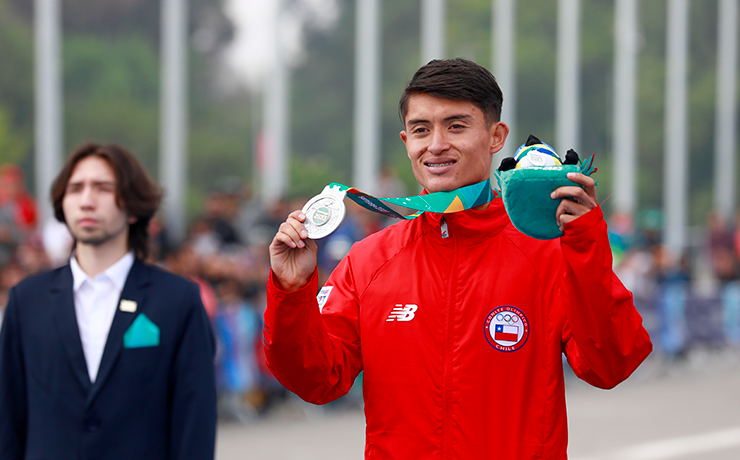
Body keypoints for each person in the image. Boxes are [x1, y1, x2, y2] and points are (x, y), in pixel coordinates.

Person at [264, 58, 652, 459]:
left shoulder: (547, 250)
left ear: (496, 135)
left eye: (456, 125)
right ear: (406, 142)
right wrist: (291, 291)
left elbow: (611, 365)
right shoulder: (369, 260)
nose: (435, 145)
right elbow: (317, 380)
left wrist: (586, 244)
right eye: (421, 130)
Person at [0, 143, 217, 459]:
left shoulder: (177, 299)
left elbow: (195, 418)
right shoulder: (27, 299)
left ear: (132, 206)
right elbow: (8, 414)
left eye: (103, 188)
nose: (87, 201)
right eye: (75, 188)